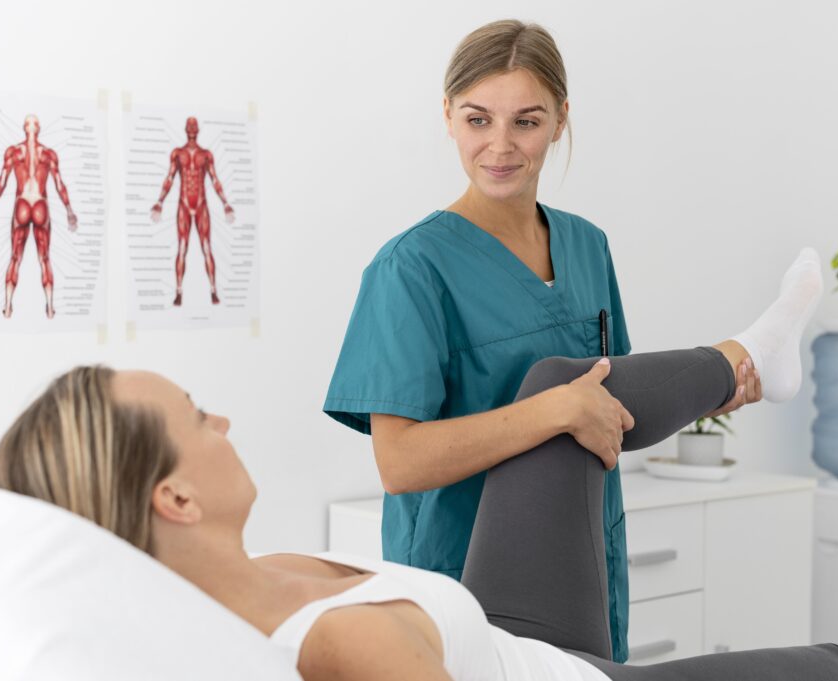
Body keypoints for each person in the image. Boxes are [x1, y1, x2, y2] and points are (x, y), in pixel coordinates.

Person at [0, 253, 838, 680]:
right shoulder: (332, 648)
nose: (225, 416)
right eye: (197, 416)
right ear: (174, 494)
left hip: (516, 636)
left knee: (558, 390)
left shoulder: (274, 571)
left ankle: (747, 364)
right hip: (567, 678)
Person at [322, 19, 762, 660]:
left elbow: (612, 409)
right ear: (448, 116)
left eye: (526, 121)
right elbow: (400, 464)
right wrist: (551, 410)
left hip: (586, 556)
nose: (499, 146)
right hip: (466, 577)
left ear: (560, 119)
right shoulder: (411, 269)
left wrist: (703, 394)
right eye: (478, 120)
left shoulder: (587, 246)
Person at [0, 114, 78, 319]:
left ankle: (8, 306)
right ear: (39, 128)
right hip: (41, 204)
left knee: (15, 258)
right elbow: (59, 184)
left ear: (24, 128)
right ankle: (50, 308)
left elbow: (2, 180)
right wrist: (69, 210)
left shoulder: (14, 152)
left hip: (22, 204)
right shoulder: (49, 154)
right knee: (44, 258)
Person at [150, 116, 234, 307]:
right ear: (186, 129)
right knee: (182, 248)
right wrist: (160, 201)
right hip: (184, 206)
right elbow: (170, 177)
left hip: (201, 204)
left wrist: (225, 203)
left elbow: (214, 179)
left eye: (194, 126)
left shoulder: (206, 154)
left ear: (197, 130)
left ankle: (213, 290)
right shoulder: (177, 153)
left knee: (206, 248)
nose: (192, 128)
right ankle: (179, 292)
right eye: (190, 126)